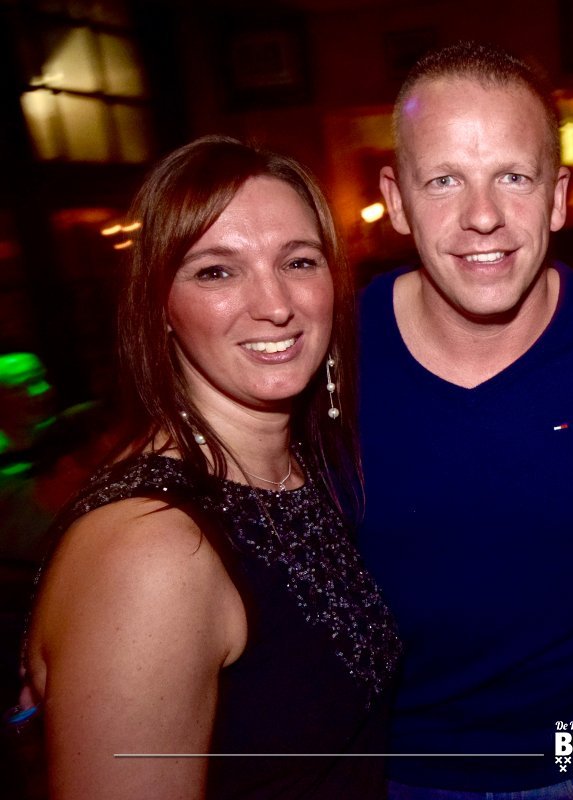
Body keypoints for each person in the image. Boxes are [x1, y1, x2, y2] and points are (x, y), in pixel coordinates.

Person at [17, 136, 402, 799]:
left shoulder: (299, 470)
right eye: (217, 272)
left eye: (299, 261)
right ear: (159, 305)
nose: (275, 304)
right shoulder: (152, 550)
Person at [359, 41, 573, 797]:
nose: (483, 216)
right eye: (444, 180)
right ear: (397, 199)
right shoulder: (329, 351)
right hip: (397, 770)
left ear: (557, 196)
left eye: (513, 178)